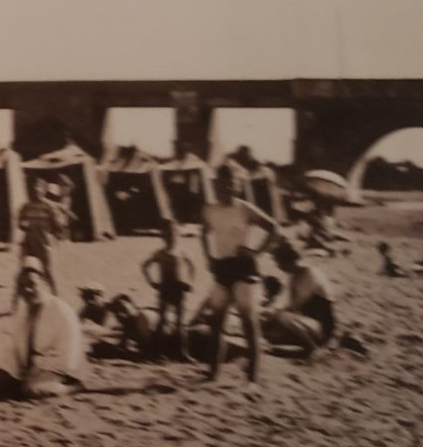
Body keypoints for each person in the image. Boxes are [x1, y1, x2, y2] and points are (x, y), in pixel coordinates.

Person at [200, 164, 280, 382]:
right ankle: (213, 373)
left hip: (243, 267)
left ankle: (252, 378)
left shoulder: (245, 209)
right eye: (222, 184)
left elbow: (273, 228)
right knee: (216, 322)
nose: (226, 188)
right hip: (222, 267)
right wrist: (208, 257)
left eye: (231, 184)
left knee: (248, 321)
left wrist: (256, 252)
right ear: (216, 185)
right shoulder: (209, 209)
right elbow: (204, 232)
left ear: (237, 186)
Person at [0, 256, 87, 399]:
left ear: (43, 282)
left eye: (32, 284)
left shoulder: (61, 310)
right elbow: (15, 348)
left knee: (31, 390)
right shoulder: (23, 310)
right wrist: (6, 369)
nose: (27, 290)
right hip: (31, 368)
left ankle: (72, 388)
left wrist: (38, 369)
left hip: (61, 368)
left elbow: (69, 354)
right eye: (22, 286)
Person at [263, 242, 337, 358]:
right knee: (275, 321)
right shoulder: (295, 275)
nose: (278, 267)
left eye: (279, 263)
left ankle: (313, 348)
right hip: (309, 322)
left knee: (282, 316)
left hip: (321, 328)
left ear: (288, 262)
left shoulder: (308, 274)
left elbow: (295, 306)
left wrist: (274, 313)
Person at [141, 217, 198, 361]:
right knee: (162, 320)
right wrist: (152, 282)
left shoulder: (182, 252)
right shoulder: (160, 253)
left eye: (174, 233)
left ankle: (182, 352)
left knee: (181, 322)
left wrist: (190, 282)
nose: (171, 237)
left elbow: (193, 267)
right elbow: (144, 266)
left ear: (178, 234)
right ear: (163, 237)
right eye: (168, 234)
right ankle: (157, 352)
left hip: (179, 287)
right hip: (165, 287)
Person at [16, 176, 71, 297]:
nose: (36, 190)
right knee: (24, 271)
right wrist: (27, 226)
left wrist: (55, 231)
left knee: (47, 271)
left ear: (44, 190)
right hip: (29, 243)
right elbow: (21, 224)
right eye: (34, 187)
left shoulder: (49, 207)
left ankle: (56, 297)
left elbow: (58, 225)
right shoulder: (26, 207)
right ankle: (15, 304)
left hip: (44, 244)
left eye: (39, 187)